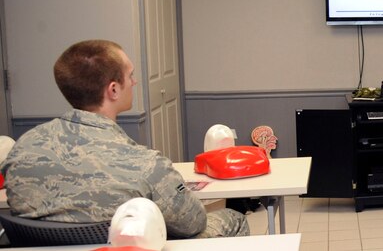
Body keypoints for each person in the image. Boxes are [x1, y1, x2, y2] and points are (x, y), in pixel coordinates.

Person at [0, 40, 250, 239]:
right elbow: (193, 224)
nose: (135, 81)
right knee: (232, 218)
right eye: (130, 75)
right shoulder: (146, 165)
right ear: (113, 90)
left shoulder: (22, 150)